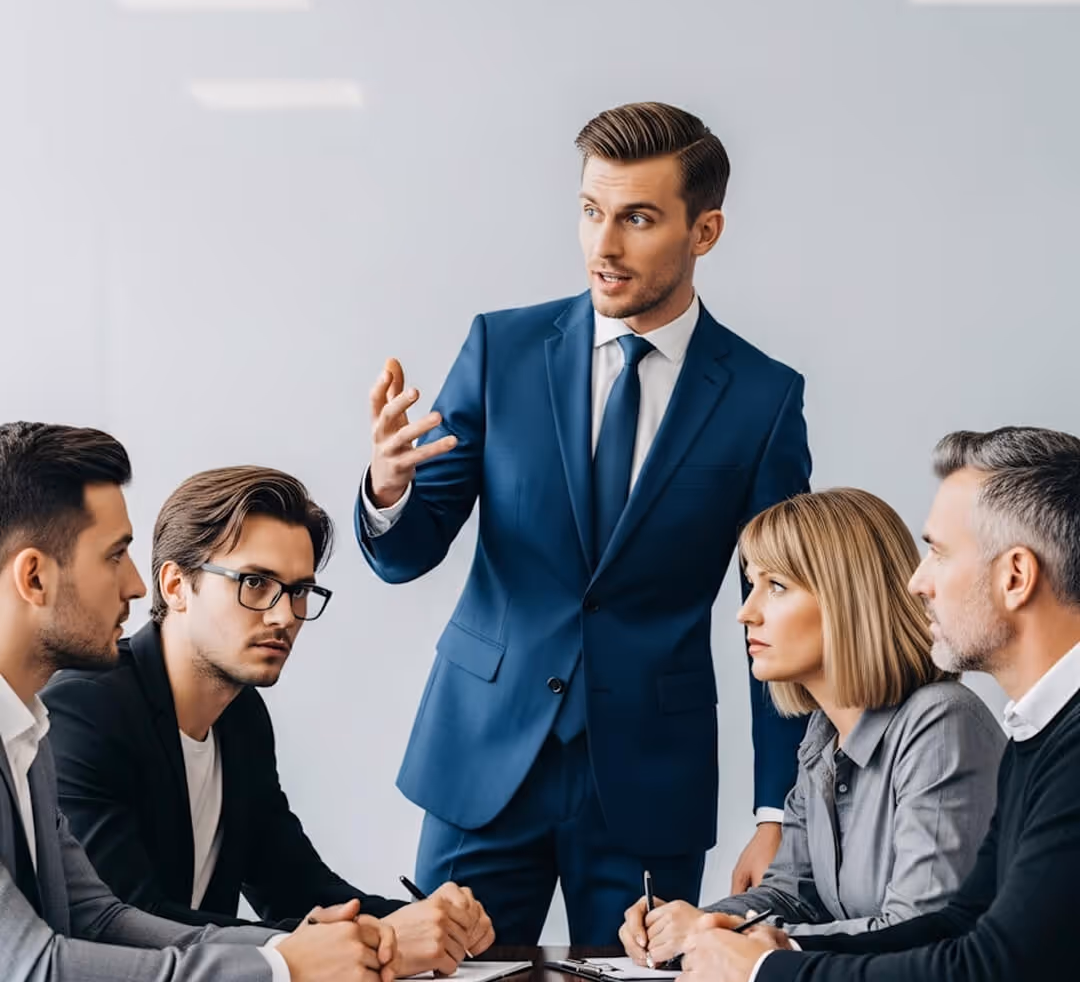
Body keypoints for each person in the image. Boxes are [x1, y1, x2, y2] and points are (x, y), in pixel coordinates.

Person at [357, 101, 812, 943]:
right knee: (450, 971)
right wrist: (389, 489)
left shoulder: (762, 398)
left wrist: (777, 811)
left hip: (649, 780)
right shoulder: (501, 349)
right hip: (482, 758)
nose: (604, 245)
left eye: (637, 218)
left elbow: (782, 612)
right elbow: (407, 554)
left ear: (704, 230)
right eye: (591, 211)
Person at [42, 464, 494, 977]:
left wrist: (427, 919)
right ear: (175, 586)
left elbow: (296, 887)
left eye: (299, 591)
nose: (284, 616)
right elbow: (124, 924)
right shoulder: (87, 709)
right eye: (255, 583)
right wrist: (375, 940)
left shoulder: (241, 716)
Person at [677, 426, 1080, 981]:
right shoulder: (1033, 738)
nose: (917, 582)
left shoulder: (1044, 744)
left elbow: (991, 963)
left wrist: (764, 971)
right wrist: (751, 943)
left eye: (939, 553)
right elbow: (959, 923)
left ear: (1015, 577)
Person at [0, 421, 395, 982]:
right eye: (114, 556)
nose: (136, 586)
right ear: (35, 578)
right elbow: (35, 964)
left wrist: (328, 944)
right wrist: (281, 965)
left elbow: (102, 917)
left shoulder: (27, 732)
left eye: (300, 591)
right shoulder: (80, 711)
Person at [618, 488, 1004, 965]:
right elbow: (793, 894)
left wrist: (728, 939)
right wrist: (697, 924)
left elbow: (921, 931)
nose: (745, 612)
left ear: (850, 600)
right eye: (752, 584)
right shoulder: (824, 732)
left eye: (776, 585)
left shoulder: (940, 724)